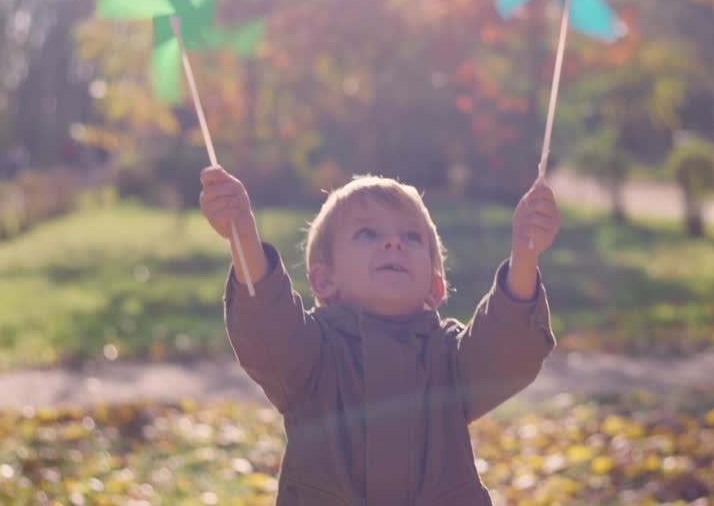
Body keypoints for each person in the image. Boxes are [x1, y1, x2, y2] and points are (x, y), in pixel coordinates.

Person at [199, 166, 560, 505]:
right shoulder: (312, 352)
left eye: (411, 236)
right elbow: (267, 324)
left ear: (436, 287)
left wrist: (524, 257)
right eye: (368, 233)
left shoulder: (450, 355)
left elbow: (505, 348)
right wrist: (243, 234)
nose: (394, 244)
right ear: (325, 280)